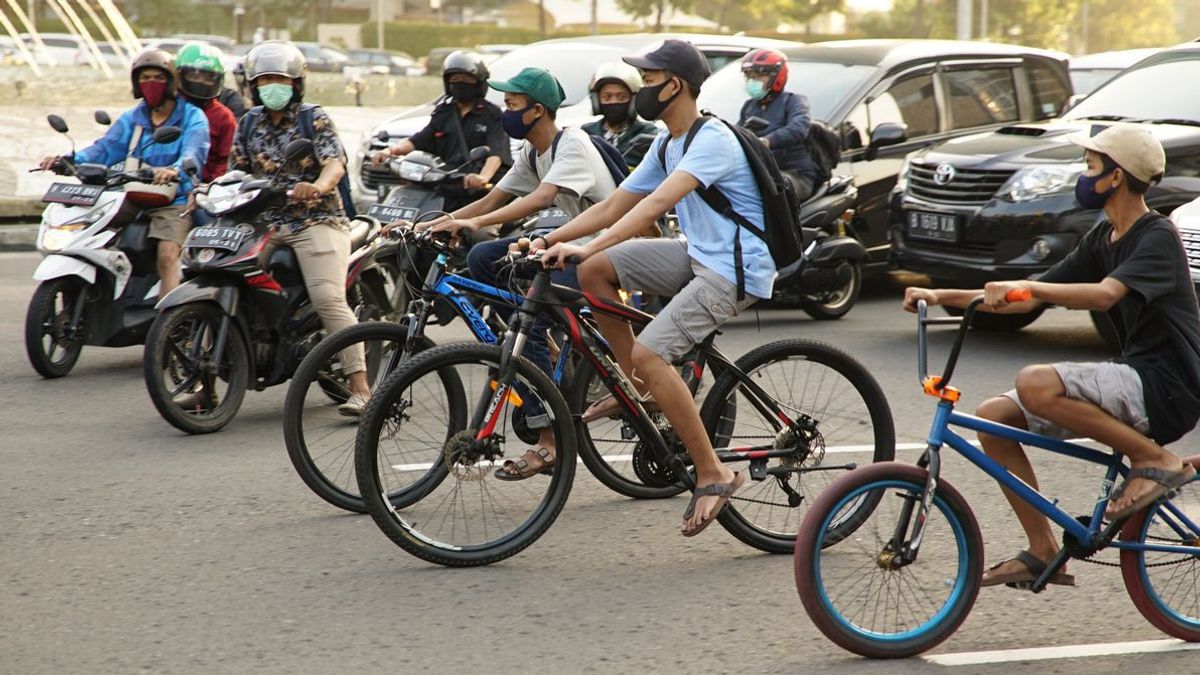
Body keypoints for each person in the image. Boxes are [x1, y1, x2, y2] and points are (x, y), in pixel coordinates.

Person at [903, 126, 1200, 588]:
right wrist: (936, 293)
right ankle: (1044, 550)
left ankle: (1154, 460)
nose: (1084, 175)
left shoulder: (1156, 234)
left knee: (1036, 382)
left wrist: (1031, 288)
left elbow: (1103, 296)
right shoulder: (1105, 235)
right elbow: (1024, 299)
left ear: (1116, 177)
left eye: (1090, 166)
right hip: (1134, 377)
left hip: (1167, 384)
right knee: (994, 418)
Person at [532, 40, 772, 536]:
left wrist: (585, 244)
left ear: (674, 85)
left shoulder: (711, 139)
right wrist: (549, 240)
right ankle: (639, 389)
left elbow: (651, 207)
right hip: (698, 256)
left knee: (650, 351)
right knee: (594, 270)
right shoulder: (668, 142)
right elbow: (615, 205)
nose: (640, 89)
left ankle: (714, 473)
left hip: (734, 269)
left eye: (647, 80)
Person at [420, 67, 618, 477]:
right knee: (483, 260)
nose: (505, 112)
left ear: (537, 110)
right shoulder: (532, 150)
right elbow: (497, 196)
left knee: (520, 321)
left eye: (511, 105)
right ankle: (538, 343)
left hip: (603, 253)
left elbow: (541, 198)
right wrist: (438, 223)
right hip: (569, 247)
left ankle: (549, 439)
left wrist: (471, 225)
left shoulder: (572, 144)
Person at [230, 40, 370, 416]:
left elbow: (334, 163)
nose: (271, 86)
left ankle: (361, 388)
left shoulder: (314, 117)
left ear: (295, 83)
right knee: (222, 274)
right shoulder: (248, 122)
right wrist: (208, 192)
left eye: (279, 79)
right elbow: (236, 173)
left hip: (316, 219)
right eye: (264, 80)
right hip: (265, 223)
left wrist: (321, 186)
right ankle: (204, 379)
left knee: (327, 298)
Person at [40, 49, 210, 299]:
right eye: (145, 78)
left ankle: (170, 325)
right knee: (85, 234)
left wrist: (173, 170)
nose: (151, 84)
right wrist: (67, 161)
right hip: (130, 195)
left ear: (172, 82)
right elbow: (106, 148)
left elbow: (193, 155)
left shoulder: (193, 117)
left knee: (166, 256)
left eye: (158, 78)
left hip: (175, 200)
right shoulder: (133, 117)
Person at [370, 50, 510, 212]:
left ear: (479, 82)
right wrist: (390, 150)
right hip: (448, 186)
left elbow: (496, 152)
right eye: (455, 79)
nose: (459, 83)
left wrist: (483, 177)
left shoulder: (492, 114)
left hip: (480, 192)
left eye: (466, 79)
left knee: (480, 233)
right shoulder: (443, 112)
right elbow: (418, 139)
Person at [737, 48, 819, 201]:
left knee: (768, 187)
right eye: (749, 76)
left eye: (759, 75)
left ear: (777, 77)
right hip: (762, 172)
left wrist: (767, 141)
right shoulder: (749, 107)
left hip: (795, 175)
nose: (752, 81)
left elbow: (798, 128)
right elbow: (737, 134)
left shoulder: (794, 101)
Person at [176, 43, 237, 182]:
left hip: (204, 188)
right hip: (164, 182)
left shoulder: (224, 117)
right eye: (195, 76)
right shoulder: (169, 108)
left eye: (208, 78)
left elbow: (226, 160)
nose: (201, 82)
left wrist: (210, 186)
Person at [582, 62, 658, 167]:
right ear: (597, 100)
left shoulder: (648, 134)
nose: (613, 102)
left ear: (633, 100)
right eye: (607, 97)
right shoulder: (586, 133)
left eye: (621, 97)